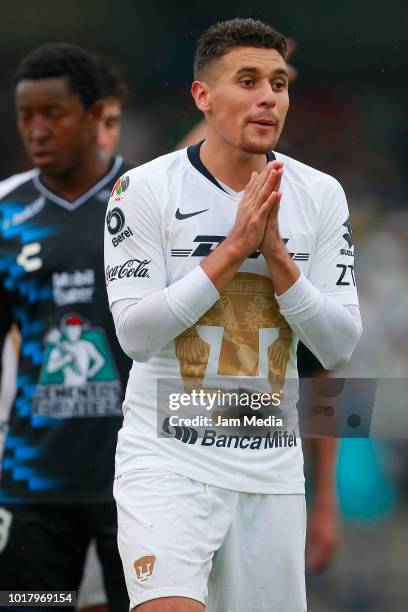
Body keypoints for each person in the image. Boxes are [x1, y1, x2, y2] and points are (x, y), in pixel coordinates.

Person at [104, 17, 362, 612]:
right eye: (247, 80)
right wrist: (234, 248)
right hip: (166, 461)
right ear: (202, 95)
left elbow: (337, 353)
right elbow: (135, 336)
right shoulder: (142, 190)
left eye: (278, 82)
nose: (269, 96)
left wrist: (277, 258)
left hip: (271, 473)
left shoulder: (320, 194)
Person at [0, 43, 131, 611]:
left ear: (94, 115)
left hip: (137, 481)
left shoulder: (144, 199)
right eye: (26, 116)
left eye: (53, 113)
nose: (37, 130)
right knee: (32, 605)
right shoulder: (6, 212)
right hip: (35, 482)